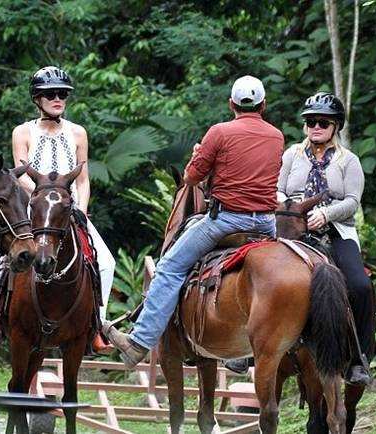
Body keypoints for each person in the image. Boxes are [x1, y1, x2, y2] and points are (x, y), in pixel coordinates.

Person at [102, 76, 285, 368]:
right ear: (263, 105)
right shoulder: (277, 136)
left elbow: (191, 177)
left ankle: (139, 342)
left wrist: (200, 155)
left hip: (227, 222)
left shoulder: (220, 132)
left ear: (231, 104)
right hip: (266, 225)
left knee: (169, 268)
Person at [0, 66, 116, 354]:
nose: (57, 99)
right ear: (37, 99)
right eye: (50, 94)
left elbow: (84, 178)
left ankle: (96, 325)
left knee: (105, 261)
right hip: (32, 207)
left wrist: (83, 210)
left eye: (62, 94)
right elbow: (22, 174)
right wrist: (44, 195)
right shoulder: (22, 131)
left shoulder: (78, 133)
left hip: (68, 209)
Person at [277, 92, 373, 385]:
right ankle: (244, 348)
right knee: (253, 267)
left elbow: (352, 201)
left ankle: (359, 358)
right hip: (292, 227)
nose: (315, 127)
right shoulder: (291, 154)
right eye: (310, 122)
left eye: (322, 122)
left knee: (360, 285)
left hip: (334, 230)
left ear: (335, 126)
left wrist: (326, 215)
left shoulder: (349, 161)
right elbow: (278, 189)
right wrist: (288, 206)